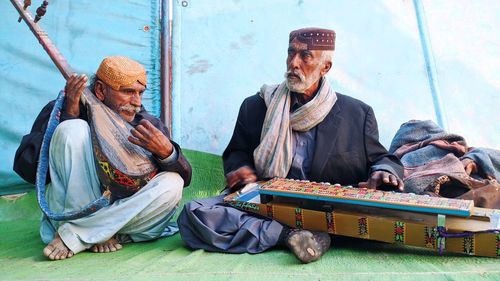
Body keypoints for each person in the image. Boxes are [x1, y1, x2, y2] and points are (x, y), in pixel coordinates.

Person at [177, 27, 404, 263]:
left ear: (325, 67)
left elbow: (383, 158)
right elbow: (237, 152)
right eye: (290, 53)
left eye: (305, 56)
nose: (294, 63)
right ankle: (292, 236)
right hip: (269, 206)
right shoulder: (256, 106)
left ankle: (304, 233)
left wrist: (383, 171)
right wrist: (240, 169)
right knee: (194, 213)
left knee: (396, 217)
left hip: (328, 209)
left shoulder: (356, 113)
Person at [13, 56, 192, 260]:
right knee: (73, 129)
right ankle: (96, 232)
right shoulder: (65, 106)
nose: (136, 102)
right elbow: (27, 169)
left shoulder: (145, 121)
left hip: (128, 219)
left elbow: (186, 178)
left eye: (140, 93)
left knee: (173, 182)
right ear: (100, 90)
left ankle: (79, 234)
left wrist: (167, 153)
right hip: (71, 210)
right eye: (127, 91)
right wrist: (70, 115)